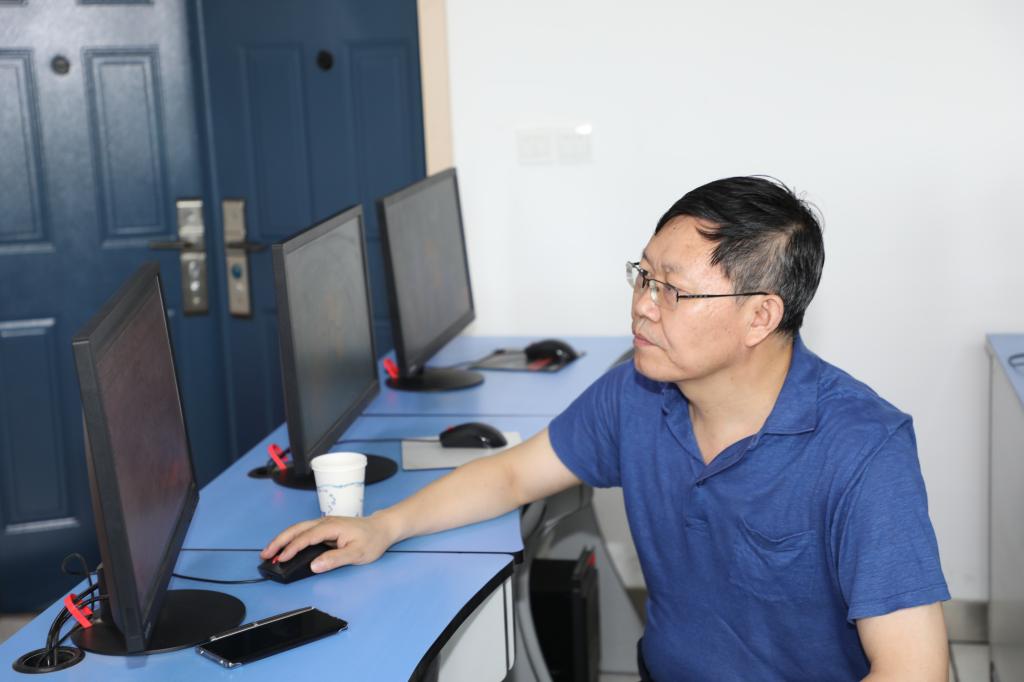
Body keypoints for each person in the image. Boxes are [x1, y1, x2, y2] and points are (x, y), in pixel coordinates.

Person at [262, 176, 950, 680]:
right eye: (642, 276)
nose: (643, 306)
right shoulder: (639, 394)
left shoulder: (863, 451)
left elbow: (913, 671)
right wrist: (384, 526)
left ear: (760, 317)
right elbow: (512, 474)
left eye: (672, 290)